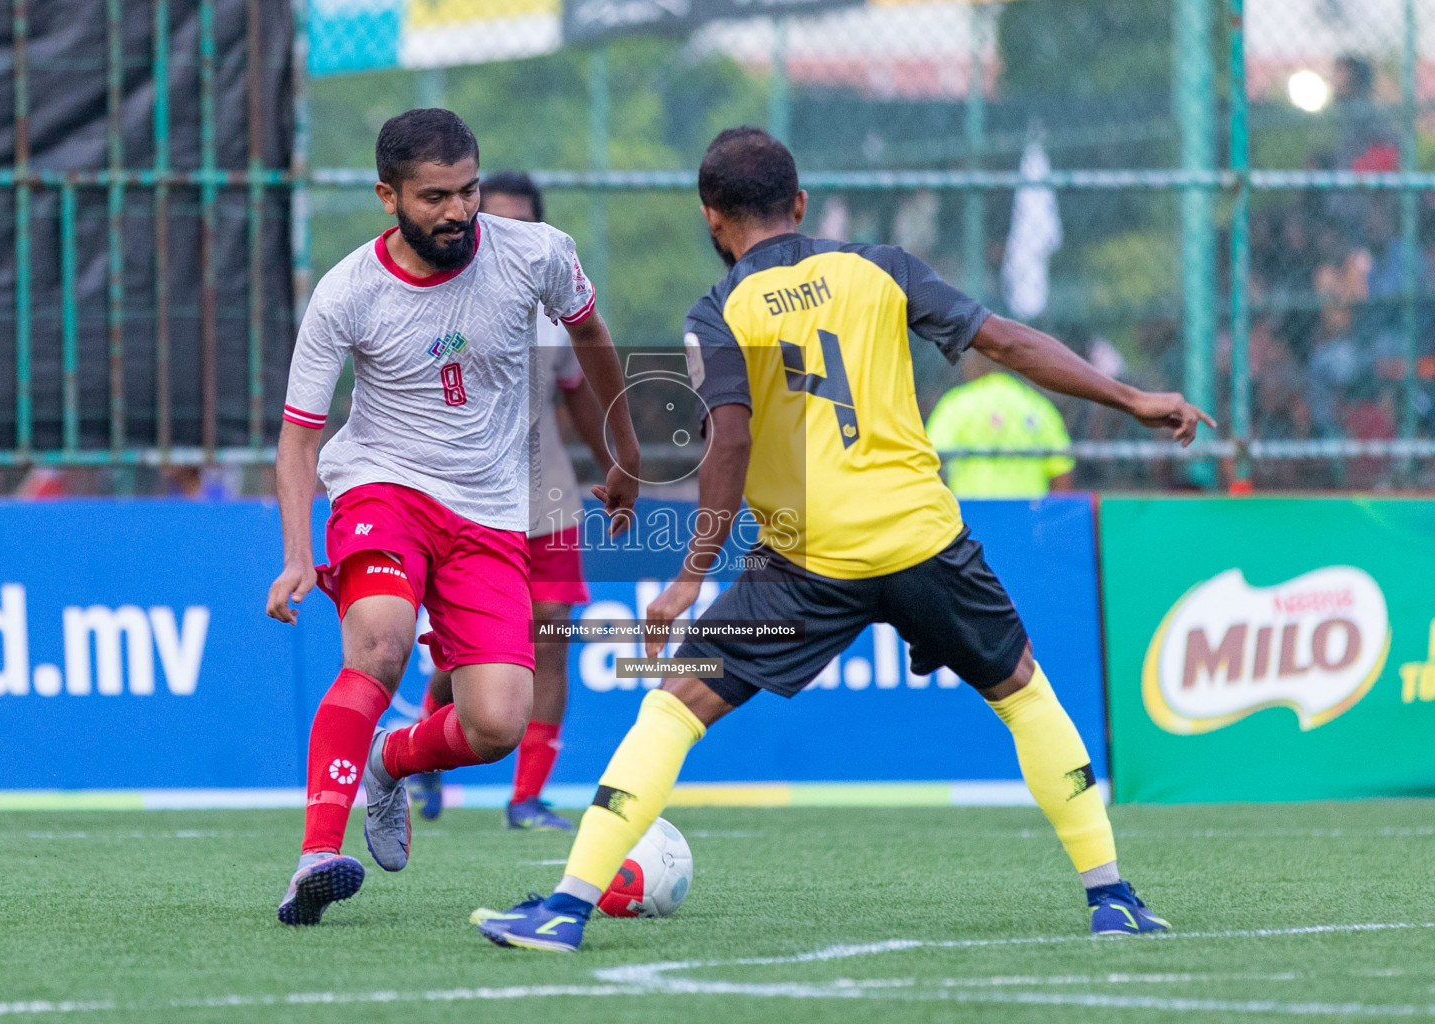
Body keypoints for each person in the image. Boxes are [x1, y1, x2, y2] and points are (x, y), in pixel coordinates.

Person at [473, 126, 1213, 952]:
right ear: (799, 205)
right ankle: (1110, 895)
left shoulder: (718, 311)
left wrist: (689, 576)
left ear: (712, 219)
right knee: (1024, 692)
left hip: (806, 561)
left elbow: (730, 441)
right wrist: (1132, 396)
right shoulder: (883, 267)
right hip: (923, 540)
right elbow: (1005, 341)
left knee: (674, 706)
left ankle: (568, 910)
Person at [265, 109, 639, 926]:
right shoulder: (347, 293)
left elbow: (594, 339)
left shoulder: (537, 252)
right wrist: (297, 555)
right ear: (387, 196)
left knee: (498, 722)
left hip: (492, 511)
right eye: (435, 196)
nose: (458, 212)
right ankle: (316, 856)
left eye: (468, 190)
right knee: (382, 642)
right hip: (382, 489)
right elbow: (299, 437)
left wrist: (626, 451)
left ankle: (388, 762)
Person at [411, 171, 614, 831]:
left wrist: (616, 464)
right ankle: (425, 754)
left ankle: (526, 797)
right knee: (465, 652)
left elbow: (579, 391)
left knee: (551, 632)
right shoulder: (439, 303)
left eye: (523, 223)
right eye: (493, 220)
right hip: (466, 494)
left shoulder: (557, 307)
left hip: (545, 489)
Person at [925, 349, 1075, 499]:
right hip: (1029, 515)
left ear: (973, 363)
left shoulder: (956, 404)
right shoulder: (1036, 404)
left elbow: (929, 461)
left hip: (971, 514)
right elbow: (1062, 469)